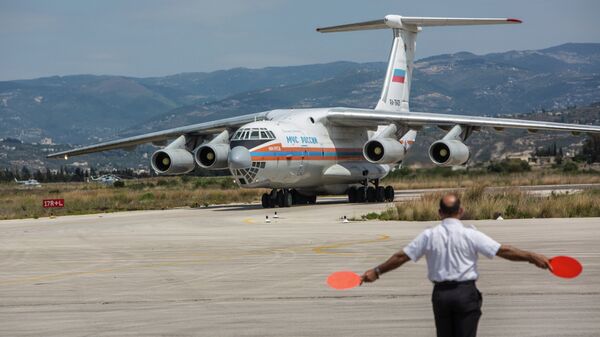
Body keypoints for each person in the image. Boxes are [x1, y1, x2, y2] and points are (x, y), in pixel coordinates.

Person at [361, 193, 551, 337]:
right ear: (461, 211)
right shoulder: (470, 234)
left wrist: (377, 271)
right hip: (465, 294)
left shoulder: (429, 235)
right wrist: (531, 256)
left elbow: (401, 256)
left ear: (439, 213)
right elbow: (503, 250)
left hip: (441, 296)